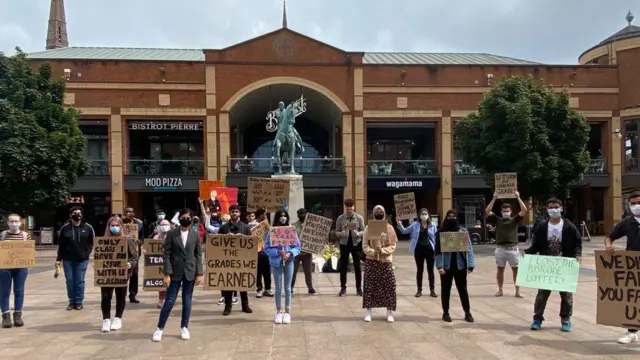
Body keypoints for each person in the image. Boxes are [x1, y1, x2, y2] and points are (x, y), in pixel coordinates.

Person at [525, 198, 581, 332]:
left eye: (556, 207)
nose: (553, 209)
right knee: (542, 294)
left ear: (561, 208)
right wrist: (527, 254)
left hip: (564, 264)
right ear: (547, 209)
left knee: (566, 295)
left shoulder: (569, 226)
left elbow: (577, 243)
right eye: (551, 207)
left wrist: (577, 255)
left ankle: (566, 319)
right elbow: (536, 245)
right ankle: (537, 319)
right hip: (547, 265)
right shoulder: (542, 227)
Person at [152, 208, 203, 342]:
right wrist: (167, 273)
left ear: (191, 219)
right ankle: (159, 328)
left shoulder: (195, 235)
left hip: (190, 272)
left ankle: (184, 327)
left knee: (187, 300)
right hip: (174, 272)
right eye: (183, 217)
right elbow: (166, 254)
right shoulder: (172, 234)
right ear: (179, 219)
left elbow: (198, 255)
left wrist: (199, 273)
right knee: (169, 301)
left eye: (188, 217)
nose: (186, 219)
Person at [606, 190, 640, 344]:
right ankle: (632, 332)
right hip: (632, 267)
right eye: (633, 204)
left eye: (639, 203)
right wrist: (608, 246)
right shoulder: (627, 222)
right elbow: (610, 237)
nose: (636, 206)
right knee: (632, 299)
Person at [485, 191, 528, 298]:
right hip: (500, 249)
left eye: (507, 211)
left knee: (516, 270)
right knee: (500, 270)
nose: (506, 212)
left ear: (511, 211)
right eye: (504, 211)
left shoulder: (514, 219)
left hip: (513, 249)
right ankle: (500, 290)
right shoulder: (497, 220)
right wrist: (494, 199)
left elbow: (524, 210)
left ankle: (517, 291)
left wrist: (518, 197)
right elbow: (487, 211)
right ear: (501, 211)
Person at [435, 210, 475, 323]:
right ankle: (445, 312)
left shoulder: (462, 231)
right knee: (445, 290)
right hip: (446, 266)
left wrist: (471, 264)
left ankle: (467, 312)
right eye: (449, 216)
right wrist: (439, 266)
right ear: (446, 218)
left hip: (460, 265)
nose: (451, 218)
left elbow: (469, 248)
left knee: (463, 290)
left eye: (453, 216)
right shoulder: (441, 232)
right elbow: (437, 251)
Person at [100, 217, 138, 332]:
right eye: (112, 225)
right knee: (106, 296)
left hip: (122, 273)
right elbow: (99, 255)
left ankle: (117, 318)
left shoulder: (128, 239)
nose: (114, 227)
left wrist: (129, 264)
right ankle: (106, 319)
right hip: (106, 273)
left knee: (120, 295)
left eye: (117, 225)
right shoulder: (103, 240)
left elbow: (134, 257)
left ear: (121, 226)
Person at [265, 209, 301, 324]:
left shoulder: (291, 231)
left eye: (285, 216)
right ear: (277, 218)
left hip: (289, 261)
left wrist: (290, 253)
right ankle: (278, 311)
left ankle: (287, 312)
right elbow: (267, 248)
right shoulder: (272, 232)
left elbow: (297, 247)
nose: (283, 218)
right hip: (276, 263)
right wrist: (277, 253)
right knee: (278, 288)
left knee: (288, 288)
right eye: (281, 216)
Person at [362, 205, 398, 322]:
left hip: (385, 261)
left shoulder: (389, 228)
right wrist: (373, 252)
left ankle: (389, 311)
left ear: (384, 213)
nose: (379, 212)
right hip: (371, 261)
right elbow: (365, 245)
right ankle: (369, 310)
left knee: (389, 285)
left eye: (381, 211)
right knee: (370, 286)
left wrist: (382, 251)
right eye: (377, 211)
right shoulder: (368, 228)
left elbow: (393, 245)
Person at [56, 206, 95, 310]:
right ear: (71, 215)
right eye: (74, 213)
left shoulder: (88, 227)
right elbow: (61, 245)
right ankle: (71, 301)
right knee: (69, 280)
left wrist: (87, 253)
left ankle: (79, 301)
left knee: (79, 281)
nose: (77, 215)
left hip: (82, 259)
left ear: (81, 215)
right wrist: (58, 259)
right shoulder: (65, 228)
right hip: (68, 259)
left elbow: (92, 242)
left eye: (78, 213)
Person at [218, 204, 253, 315]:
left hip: (242, 260)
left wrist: (242, 237)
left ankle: (245, 305)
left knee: (242, 283)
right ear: (229, 213)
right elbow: (217, 244)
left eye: (236, 211)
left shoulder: (246, 228)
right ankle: (227, 307)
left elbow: (251, 244)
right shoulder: (223, 228)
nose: (234, 213)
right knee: (228, 284)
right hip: (228, 261)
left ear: (239, 213)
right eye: (232, 211)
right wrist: (225, 238)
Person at [397, 208, 437, 298]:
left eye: (425, 214)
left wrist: (437, 248)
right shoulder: (415, 224)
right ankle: (419, 290)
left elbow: (435, 236)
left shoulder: (433, 225)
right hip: (419, 250)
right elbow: (404, 231)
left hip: (430, 250)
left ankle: (432, 290)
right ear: (419, 215)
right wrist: (400, 225)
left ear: (428, 215)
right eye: (422, 214)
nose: (424, 215)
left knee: (431, 270)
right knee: (420, 270)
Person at [0, 214, 30, 328]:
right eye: (11, 221)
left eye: (16, 221)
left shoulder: (25, 235)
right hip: (4, 267)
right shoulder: (2, 235)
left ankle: (18, 315)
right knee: (4, 291)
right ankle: (5, 315)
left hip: (21, 267)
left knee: (19, 290)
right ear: (7, 222)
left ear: (20, 222)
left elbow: (30, 251)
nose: (14, 223)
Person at [335, 198, 365, 297]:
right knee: (343, 266)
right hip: (344, 243)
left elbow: (364, 231)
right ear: (345, 208)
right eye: (347, 209)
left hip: (356, 244)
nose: (349, 210)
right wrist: (342, 233)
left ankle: (359, 288)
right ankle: (343, 288)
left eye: (351, 209)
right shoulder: (340, 218)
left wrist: (358, 233)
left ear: (353, 207)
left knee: (357, 266)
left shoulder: (359, 218)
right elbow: (336, 232)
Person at [291, 208, 317, 295]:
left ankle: (310, 287)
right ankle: (290, 287)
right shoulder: (293, 225)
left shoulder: (311, 226)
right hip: (296, 253)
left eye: (304, 214)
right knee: (293, 271)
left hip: (307, 252)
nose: (302, 216)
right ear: (298, 215)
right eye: (300, 214)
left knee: (308, 271)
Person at [122, 207, 144, 303]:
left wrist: (139, 242)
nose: (129, 214)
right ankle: (122, 294)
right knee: (124, 274)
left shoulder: (139, 223)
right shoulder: (120, 223)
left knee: (134, 274)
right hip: (122, 253)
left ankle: (133, 295)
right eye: (127, 212)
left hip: (134, 253)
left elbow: (143, 236)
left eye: (131, 212)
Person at [253, 208, 273, 298]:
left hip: (266, 251)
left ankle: (268, 289)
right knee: (258, 272)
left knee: (267, 271)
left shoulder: (266, 224)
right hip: (256, 252)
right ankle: (259, 289)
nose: (265, 216)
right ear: (260, 215)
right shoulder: (252, 225)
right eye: (264, 214)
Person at [153, 219, 172, 309]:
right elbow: (151, 249)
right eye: (162, 224)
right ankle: (161, 299)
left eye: (166, 224)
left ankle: (168, 299)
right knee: (161, 282)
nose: (164, 226)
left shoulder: (173, 236)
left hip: (171, 263)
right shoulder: (156, 237)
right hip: (160, 264)